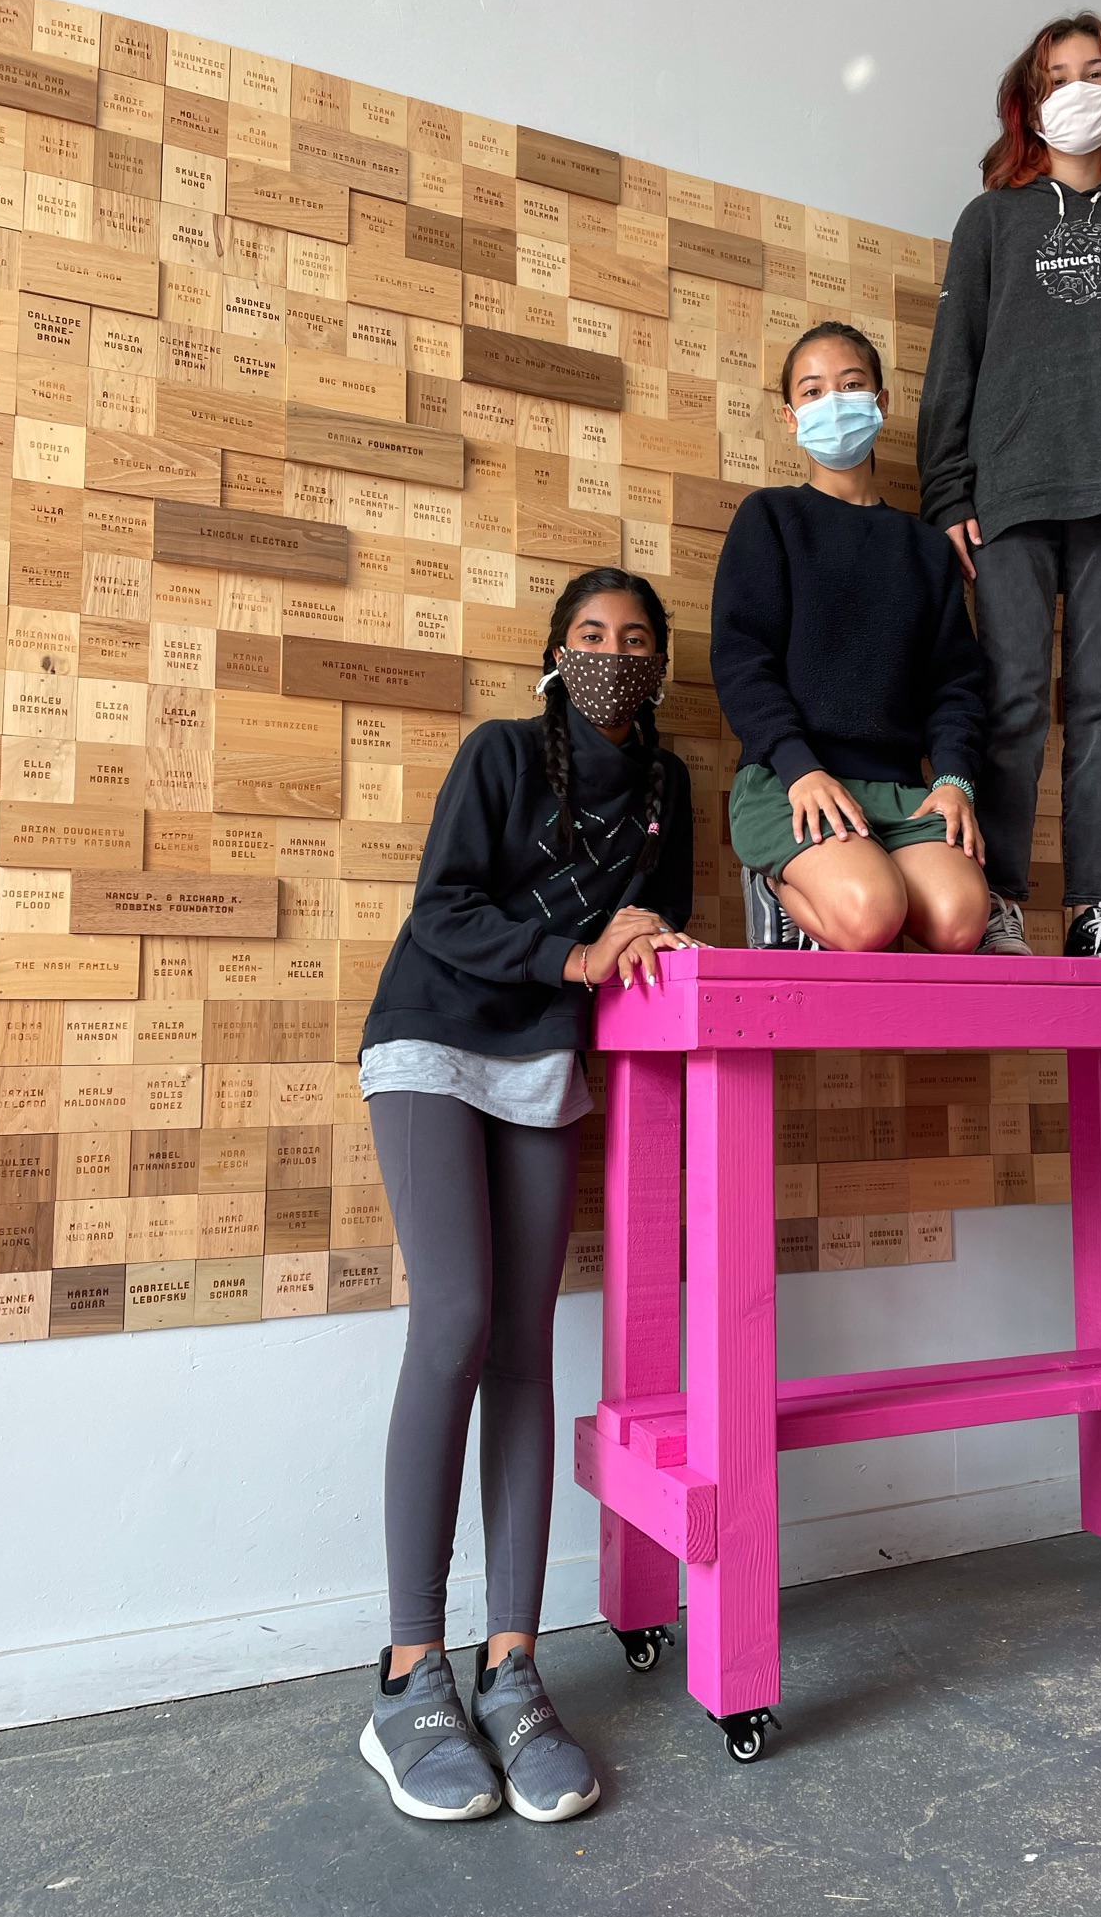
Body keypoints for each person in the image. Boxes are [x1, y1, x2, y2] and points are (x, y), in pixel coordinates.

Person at [355, 568, 694, 1824]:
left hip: (547, 1062)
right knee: (451, 1323)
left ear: (657, 663)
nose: (613, 653)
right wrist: (571, 953)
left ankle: (512, 1667)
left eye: (635, 639)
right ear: (558, 650)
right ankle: (405, 1676)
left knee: (523, 1345)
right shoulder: (501, 754)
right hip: (433, 1041)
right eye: (591, 635)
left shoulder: (671, 791)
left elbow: (666, 927)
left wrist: (648, 944)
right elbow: (439, 907)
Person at [917, 10, 1101, 960]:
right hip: (1007, 495)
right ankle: (1000, 898)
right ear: (1029, 100)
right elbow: (952, 364)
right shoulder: (990, 222)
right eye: (1057, 76)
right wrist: (948, 489)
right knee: (1011, 698)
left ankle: (1091, 907)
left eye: (1094, 71)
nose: (1076, 88)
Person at [711, 320, 989, 954]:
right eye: (811, 391)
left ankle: (863, 879)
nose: (832, 402)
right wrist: (799, 767)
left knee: (960, 921)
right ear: (789, 416)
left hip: (900, 793)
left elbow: (956, 683)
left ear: (881, 402)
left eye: (851, 384)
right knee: (870, 916)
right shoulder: (770, 519)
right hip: (792, 782)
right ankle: (777, 889)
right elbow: (742, 662)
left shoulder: (925, 547)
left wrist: (955, 779)